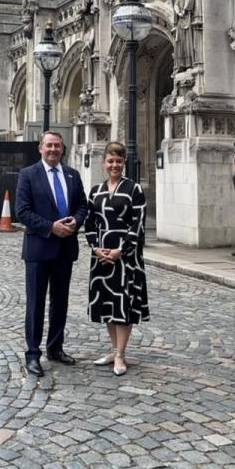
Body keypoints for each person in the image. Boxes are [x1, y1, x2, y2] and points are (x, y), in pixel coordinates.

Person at [15, 130, 88, 377]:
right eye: (49, 145)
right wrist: (51, 227)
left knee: (60, 302)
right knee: (35, 303)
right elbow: (22, 212)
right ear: (40, 148)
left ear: (62, 148)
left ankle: (55, 348)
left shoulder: (72, 175)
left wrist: (75, 223)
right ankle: (33, 354)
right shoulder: (28, 175)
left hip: (65, 248)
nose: (53, 150)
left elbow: (82, 205)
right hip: (39, 248)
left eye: (57, 146)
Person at [84, 140, 149, 377]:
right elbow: (90, 223)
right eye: (111, 161)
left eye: (119, 161)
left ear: (124, 163)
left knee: (123, 304)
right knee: (107, 304)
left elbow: (138, 224)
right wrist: (95, 247)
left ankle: (121, 354)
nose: (115, 165)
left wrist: (121, 250)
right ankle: (113, 349)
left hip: (126, 257)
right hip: (102, 256)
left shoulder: (134, 189)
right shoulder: (96, 191)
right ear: (104, 163)